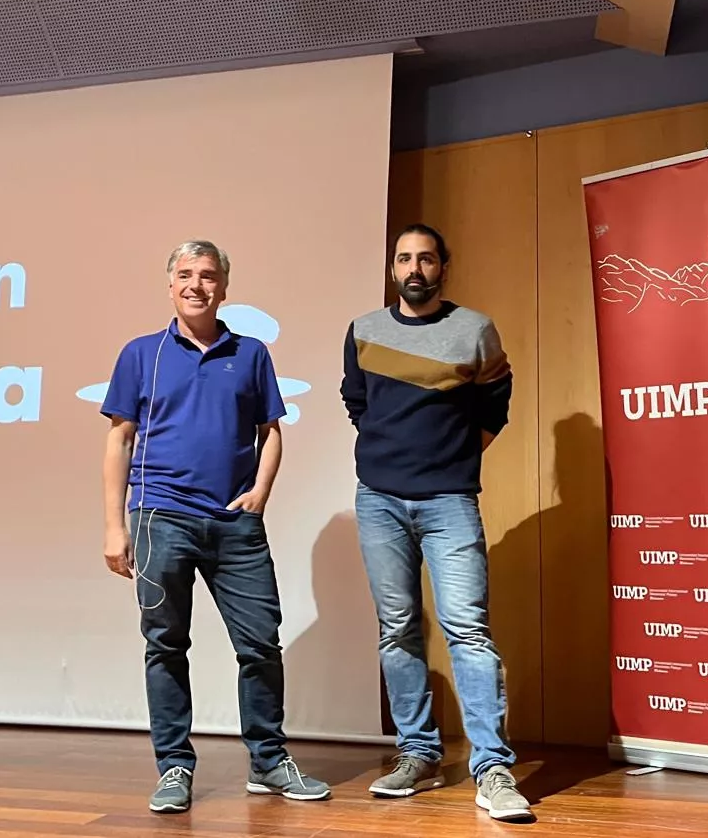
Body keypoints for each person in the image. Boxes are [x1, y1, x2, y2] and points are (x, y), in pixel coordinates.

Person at [100, 239, 330, 814]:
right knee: (165, 646)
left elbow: (271, 430)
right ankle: (174, 766)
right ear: (169, 285)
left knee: (259, 644)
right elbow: (120, 438)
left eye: (207, 275)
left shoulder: (250, 353)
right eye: (185, 274)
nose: (196, 284)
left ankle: (268, 762)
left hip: (234, 525)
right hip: (159, 517)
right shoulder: (140, 353)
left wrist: (259, 495)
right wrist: (113, 525)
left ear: (224, 288)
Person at [339, 224, 532, 822]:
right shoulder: (363, 331)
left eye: (425, 259)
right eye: (404, 259)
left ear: (444, 267)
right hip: (379, 500)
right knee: (396, 628)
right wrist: (391, 453)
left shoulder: (473, 329)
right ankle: (417, 755)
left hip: (449, 500)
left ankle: (492, 768)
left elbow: (496, 402)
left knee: (467, 629)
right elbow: (357, 402)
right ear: (393, 268)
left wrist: (452, 455)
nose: (414, 268)